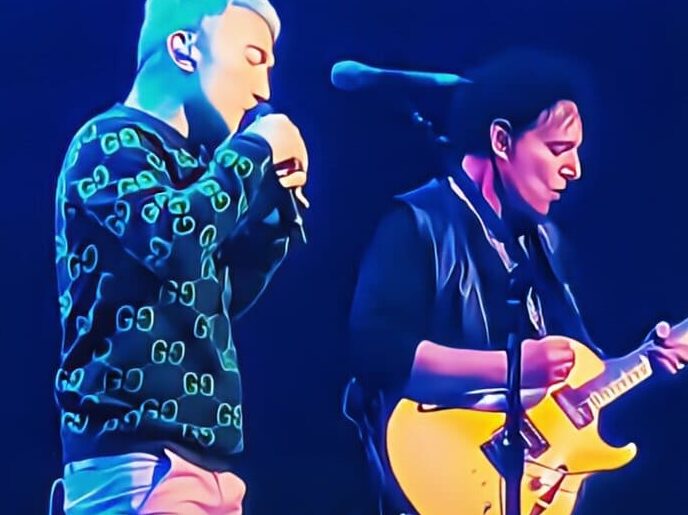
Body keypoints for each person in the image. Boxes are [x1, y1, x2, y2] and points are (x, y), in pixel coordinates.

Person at [346, 49, 688, 514]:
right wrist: (510, 369)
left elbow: (576, 379)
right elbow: (377, 355)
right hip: (430, 473)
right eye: (559, 149)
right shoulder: (417, 224)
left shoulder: (546, 243)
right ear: (502, 140)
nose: (575, 168)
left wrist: (646, 358)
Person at [53, 1, 309, 513]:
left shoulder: (200, 168)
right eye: (253, 57)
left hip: (206, 463)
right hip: (139, 460)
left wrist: (269, 218)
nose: (264, 90)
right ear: (185, 47)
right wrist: (254, 151)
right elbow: (173, 241)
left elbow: (213, 296)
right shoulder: (109, 142)